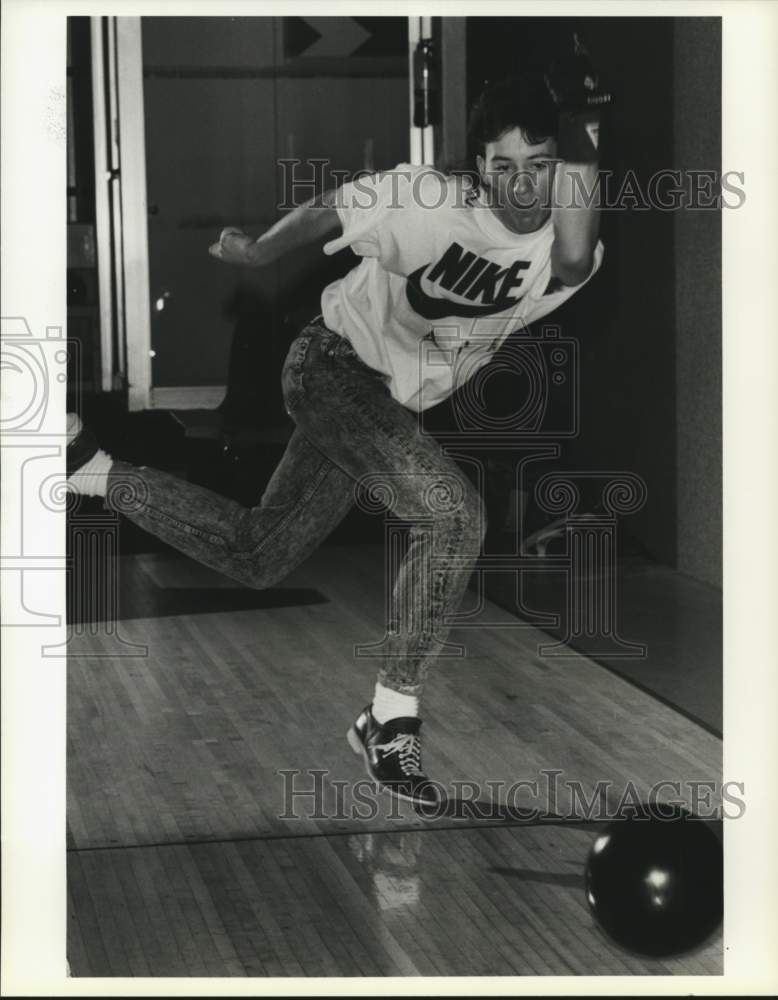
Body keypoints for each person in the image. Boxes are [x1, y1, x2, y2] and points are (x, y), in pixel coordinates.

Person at [67, 60, 606, 806]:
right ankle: (392, 721)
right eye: (503, 166)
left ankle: (90, 469)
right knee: (454, 516)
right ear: (478, 169)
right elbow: (331, 206)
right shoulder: (430, 202)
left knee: (257, 553)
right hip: (329, 366)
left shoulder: (560, 251)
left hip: (383, 406)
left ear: (561, 170)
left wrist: (577, 116)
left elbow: (576, 252)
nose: (521, 186)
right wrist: (258, 252)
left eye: (539, 167)